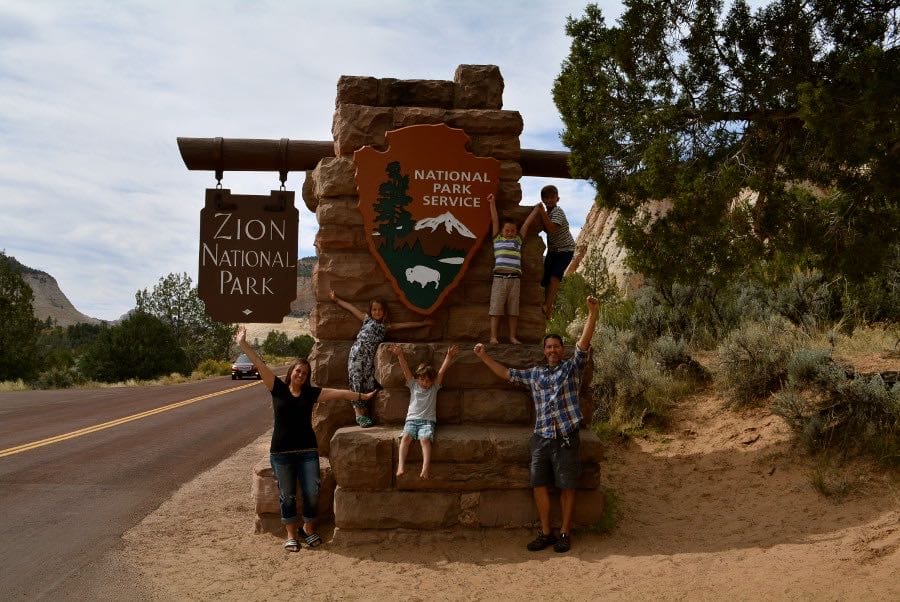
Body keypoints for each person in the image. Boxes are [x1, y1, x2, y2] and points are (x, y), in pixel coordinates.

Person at [473, 295, 599, 553]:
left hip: (565, 435)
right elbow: (507, 374)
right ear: (544, 351)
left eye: (556, 347)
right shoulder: (535, 373)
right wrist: (483, 357)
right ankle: (546, 532)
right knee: (538, 485)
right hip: (541, 437)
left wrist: (592, 313)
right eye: (548, 347)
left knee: (567, 485)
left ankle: (565, 532)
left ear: (561, 350)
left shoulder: (572, 369)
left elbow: (584, 343)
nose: (552, 350)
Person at [235, 325, 376, 552]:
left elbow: (338, 393)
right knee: (287, 495)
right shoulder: (277, 388)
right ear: (291, 372)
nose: (300, 375)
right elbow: (260, 364)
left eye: (305, 373)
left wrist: (362, 396)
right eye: (298, 371)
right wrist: (243, 344)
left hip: (307, 451)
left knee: (312, 491)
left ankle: (308, 529)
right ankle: (291, 534)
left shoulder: (311, 394)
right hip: (281, 453)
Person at [329, 290, 432, 427]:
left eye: (379, 310)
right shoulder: (366, 319)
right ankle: (358, 414)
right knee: (356, 381)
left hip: (369, 359)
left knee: (368, 384)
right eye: (374, 309)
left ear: (384, 312)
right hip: (357, 355)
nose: (376, 312)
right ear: (371, 311)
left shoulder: (385, 326)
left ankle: (364, 413)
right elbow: (351, 308)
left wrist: (423, 324)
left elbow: (405, 325)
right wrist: (336, 299)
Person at [389, 343, 459, 479]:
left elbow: (441, 372)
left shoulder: (434, 388)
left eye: (428, 380)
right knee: (405, 438)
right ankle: (401, 466)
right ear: (417, 378)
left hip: (427, 421)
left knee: (425, 440)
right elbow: (405, 370)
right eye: (422, 379)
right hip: (411, 420)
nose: (425, 383)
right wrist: (400, 355)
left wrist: (449, 357)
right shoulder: (413, 385)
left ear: (432, 381)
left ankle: (425, 469)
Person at [487, 193, 541, 344]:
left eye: (512, 231)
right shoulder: (497, 240)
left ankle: (512, 336)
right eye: (507, 231)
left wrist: (535, 211)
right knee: (496, 309)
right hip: (499, 279)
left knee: (513, 311)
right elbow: (495, 220)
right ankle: (493, 336)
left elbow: (526, 225)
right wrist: (492, 203)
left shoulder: (518, 240)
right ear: (502, 232)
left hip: (515, 280)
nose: (510, 233)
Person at [535, 184, 577, 318]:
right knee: (545, 279)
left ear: (557, 199)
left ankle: (548, 306)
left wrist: (540, 212)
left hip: (565, 250)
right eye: (546, 198)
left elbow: (551, 228)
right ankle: (547, 307)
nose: (549, 200)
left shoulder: (558, 212)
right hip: (553, 251)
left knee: (554, 278)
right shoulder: (547, 213)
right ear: (543, 200)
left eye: (552, 197)